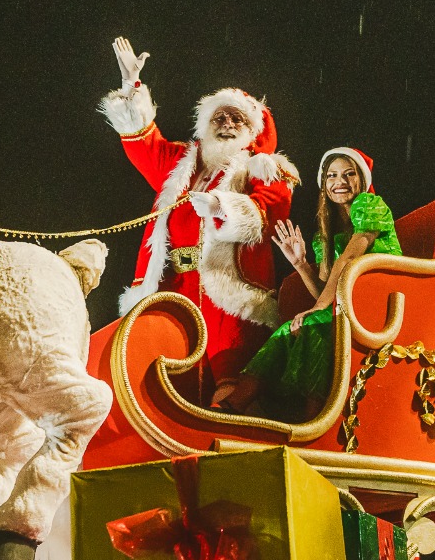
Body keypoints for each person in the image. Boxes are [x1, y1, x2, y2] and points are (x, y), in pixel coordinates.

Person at [100, 37, 300, 400]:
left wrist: (223, 207)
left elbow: (270, 210)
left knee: (230, 377)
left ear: (251, 130)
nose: (226, 123)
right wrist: (133, 85)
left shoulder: (264, 166)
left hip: (228, 288)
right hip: (175, 283)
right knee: (167, 368)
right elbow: (142, 142)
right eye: (219, 117)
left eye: (236, 118)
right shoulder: (181, 161)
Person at [217, 147, 402, 417]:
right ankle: (235, 405)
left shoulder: (369, 204)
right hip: (348, 306)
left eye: (349, 174)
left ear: (362, 180)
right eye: (332, 175)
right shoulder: (325, 236)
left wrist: (319, 309)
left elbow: (350, 259)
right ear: (324, 184)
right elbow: (323, 292)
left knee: (315, 323)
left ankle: (312, 414)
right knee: (286, 330)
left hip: (381, 297)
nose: (340, 182)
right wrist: (301, 264)